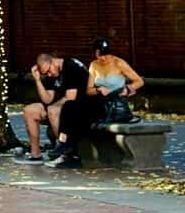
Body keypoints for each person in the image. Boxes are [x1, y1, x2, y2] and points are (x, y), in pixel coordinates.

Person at [44, 39, 145, 168]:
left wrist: (127, 89)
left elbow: (139, 81)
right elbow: (89, 90)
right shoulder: (94, 65)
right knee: (70, 106)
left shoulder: (119, 63)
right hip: (99, 100)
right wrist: (98, 89)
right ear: (96, 53)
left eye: (105, 55)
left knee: (81, 115)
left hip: (114, 104)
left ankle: (69, 152)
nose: (103, 58)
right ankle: (63, 143)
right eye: (100, 55)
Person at [17, 51, 89, 163]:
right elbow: (47, 99)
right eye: (46, 74)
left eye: (48, 71)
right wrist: (37, 79)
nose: (49, 75)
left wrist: (52, 107)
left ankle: (66, 153)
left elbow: (71, 97)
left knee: (53, 110)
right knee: (29, 111)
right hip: (62, 104)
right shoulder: (53, 73)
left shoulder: (71, 66)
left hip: (79, 105)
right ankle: (35, 154)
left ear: (53, 61)